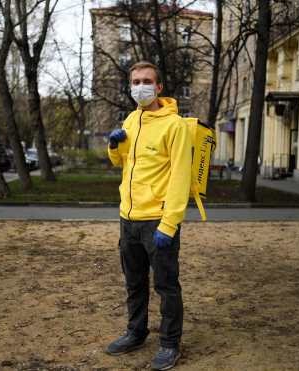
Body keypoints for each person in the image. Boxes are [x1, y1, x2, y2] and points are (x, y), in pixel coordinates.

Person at [106, 61, 192, 371]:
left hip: (157, 221)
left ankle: (170, 344)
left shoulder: (175, 126)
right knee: (134, 283)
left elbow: (181, 178)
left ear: (158, 87)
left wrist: (169, 224)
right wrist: (115, 146)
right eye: (135, 82)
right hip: (128, 218)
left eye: (146, 81)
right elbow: (122, 164)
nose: (139, 86)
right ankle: (136, 332)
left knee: (166, 286)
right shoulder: (131, 120)